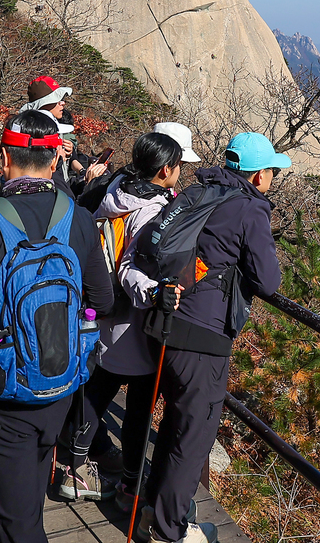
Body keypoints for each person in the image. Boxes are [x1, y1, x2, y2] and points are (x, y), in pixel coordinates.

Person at [0, 110, 114, 543]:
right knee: (25, 497)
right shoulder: (79, 219)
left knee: (18, 522)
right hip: (62, 381)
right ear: (54, 162)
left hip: (3, 384)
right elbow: (103, 301)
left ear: (4, 158)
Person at [136, 132, 287, 543]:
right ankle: (170, 530)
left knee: (176, 424)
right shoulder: (249, 209)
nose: (274, 177)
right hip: (203, 336)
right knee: (194, 434)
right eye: (272, 170)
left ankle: (156, 510)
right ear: (258, 177)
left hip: (166, 320)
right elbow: (268, 281)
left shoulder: (201, 190)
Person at [56, 130, 186, 506]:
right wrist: (154, 293)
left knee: (97, 388)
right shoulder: (154, 211)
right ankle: (130, 484)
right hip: (134, 318)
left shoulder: (115, 189)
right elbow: (134, 263)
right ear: (165, 170)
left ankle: (76, 464)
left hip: (99, 307)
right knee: (139, 407)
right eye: (178, 166)